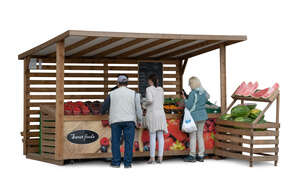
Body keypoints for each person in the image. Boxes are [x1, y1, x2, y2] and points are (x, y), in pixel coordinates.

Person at [101, 75, 142, 168]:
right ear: (127, 83)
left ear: (118, 83)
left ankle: (116, 162)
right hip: (129, 121)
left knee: (115, 141)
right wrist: (139, 120)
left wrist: (102, 112)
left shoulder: (112, 94)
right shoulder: (134, 93)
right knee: (129, 142)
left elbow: (104, 107)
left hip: (116, 121)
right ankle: (127, 164)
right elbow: (138, 109)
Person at [181, 76, 209, 162]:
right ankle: (201, 155)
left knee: (192, 136)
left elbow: (189, 106)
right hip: (203, 116)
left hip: (194, 117)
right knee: (200, 135)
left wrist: (185, 100)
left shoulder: (193, 93)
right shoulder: (204, 92)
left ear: (193, 83)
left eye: (190, 84)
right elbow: (207, 99)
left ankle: (192, 155)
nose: (189, 86)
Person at [142, 74, 167, 164]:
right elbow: (162, 102)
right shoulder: (161, 89)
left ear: (151, 81)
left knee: (152, 136)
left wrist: (144, 104)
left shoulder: (149, 89)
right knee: (160, 136)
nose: (148, 82)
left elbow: (150, 100)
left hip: (153, 114)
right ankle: (160, 157)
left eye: (149, 80)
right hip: (161, 114)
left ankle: (152, 158)